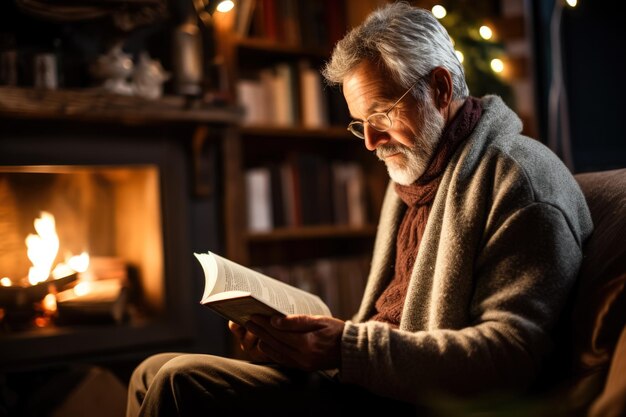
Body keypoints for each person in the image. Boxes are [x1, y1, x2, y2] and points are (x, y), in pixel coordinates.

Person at [126, 3, 593, 416]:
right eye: (360, 124)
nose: (370, 142)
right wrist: (292, 344)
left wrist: (346, 346)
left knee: (178, 381)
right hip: (368, 385)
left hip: (413, 401)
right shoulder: (415, 178)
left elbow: (512, 356)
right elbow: (389, 323)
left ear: (440, 87)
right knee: (152, 369)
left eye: (382, 115)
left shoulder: (520, 179)